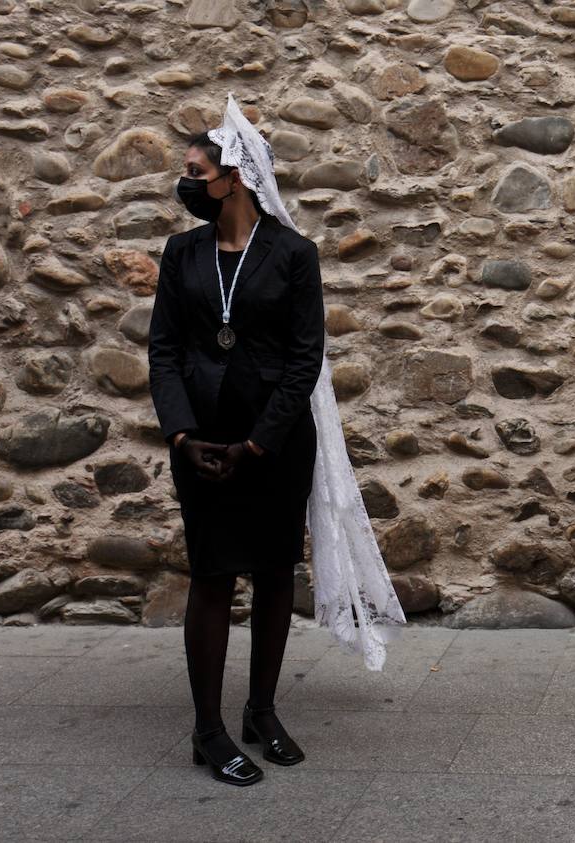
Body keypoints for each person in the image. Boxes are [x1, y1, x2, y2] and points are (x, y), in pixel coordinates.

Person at [148, 96, 403, 787]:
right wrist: (181, 434)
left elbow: (304, 357)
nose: (187, 181)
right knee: (210, 576)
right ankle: (208, 728)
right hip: (200, 443)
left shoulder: (293, 255)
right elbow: (164, 350)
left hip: (273, 445)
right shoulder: (182, 253)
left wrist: (258, 443)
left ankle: (261, 709)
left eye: (197, 170)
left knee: (270, 572)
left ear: (234, 176)